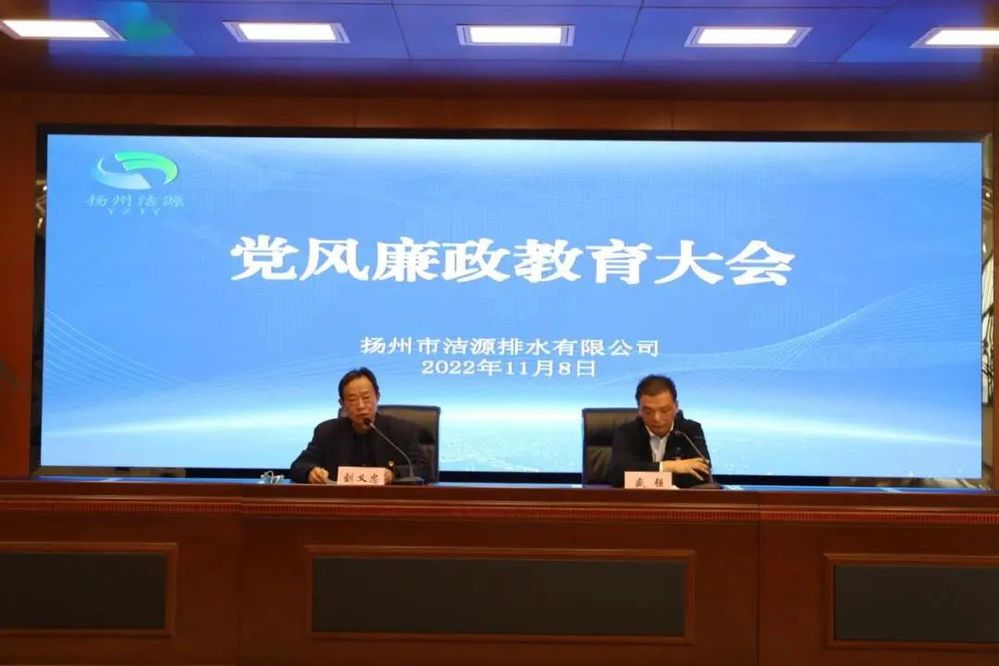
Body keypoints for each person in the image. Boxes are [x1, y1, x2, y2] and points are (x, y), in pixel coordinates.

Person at [290, 367, 431, 484]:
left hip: (388, 503)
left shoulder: (402, 430)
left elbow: (425, 469)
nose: (361, 406)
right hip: (342, 503)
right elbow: (299, 466)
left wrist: (394, 474)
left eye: (366, 397)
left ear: (377, 397)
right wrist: (310, 472)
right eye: (352, 400)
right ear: (342, 404)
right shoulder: (327, 432)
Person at [609, 374, 713, 489]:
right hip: (636, 499)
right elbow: (617, 475)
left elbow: (703, 474)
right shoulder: (626, 432)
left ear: (676, 407)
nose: (656, 418)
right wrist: (669, 467)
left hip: (677, 499)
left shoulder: (690, 430)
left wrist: (641, 475)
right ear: (639, 410)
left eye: (664, 410)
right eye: (648, 411)